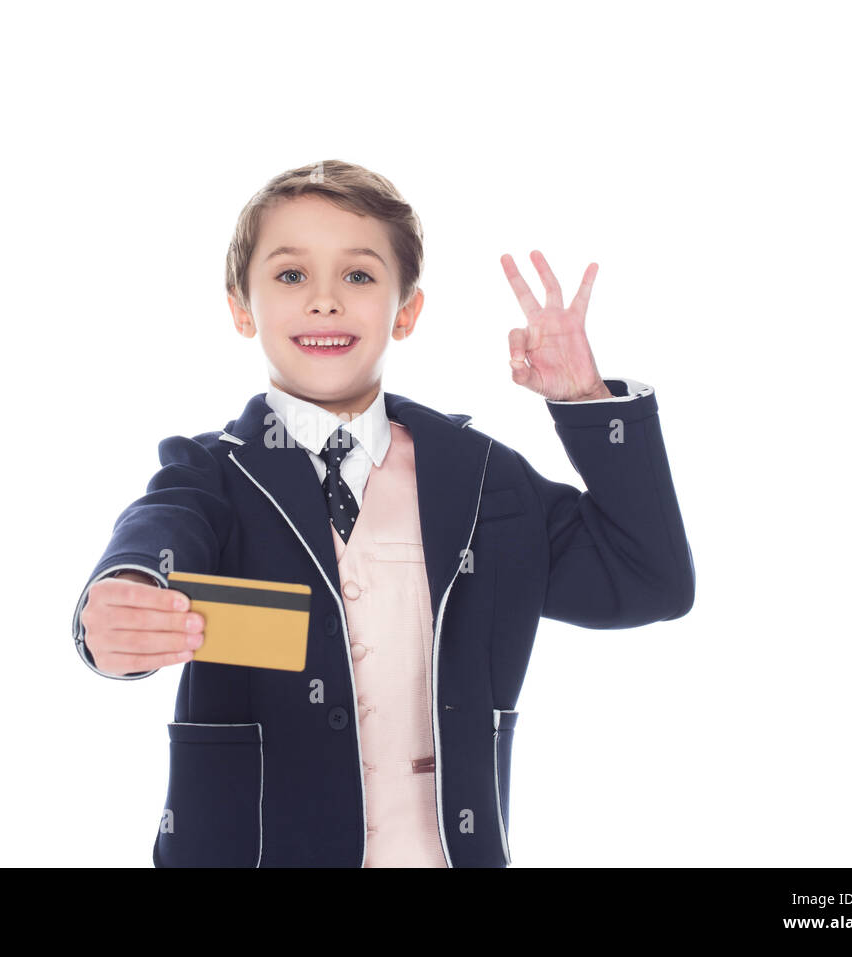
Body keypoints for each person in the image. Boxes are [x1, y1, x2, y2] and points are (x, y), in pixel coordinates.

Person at [72, 159, 695, 867]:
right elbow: (159, 534)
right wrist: (122, 599)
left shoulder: (483, 477)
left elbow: (651, 580)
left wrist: (587, 402)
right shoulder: (212, 472)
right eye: (290, 275)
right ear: (241, 308)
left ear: (407, 311)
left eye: (360, 276)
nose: (326, 301)